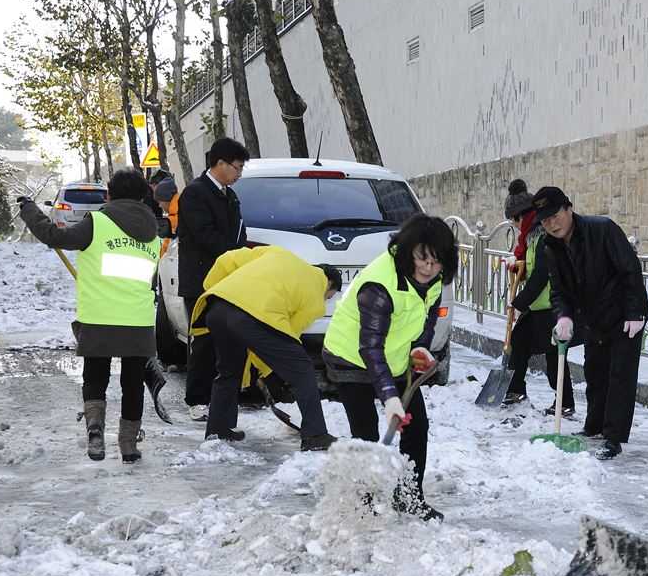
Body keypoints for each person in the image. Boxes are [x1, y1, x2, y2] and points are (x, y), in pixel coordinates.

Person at [17, 167, 160, 464]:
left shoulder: (97, 222)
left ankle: (95, 427)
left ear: (109, 195)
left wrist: (30, 210)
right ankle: (129, 446)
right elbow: (146, 279)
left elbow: (54, 235)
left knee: (96, 377)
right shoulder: (153, 234)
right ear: (143, 197)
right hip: (139, 319)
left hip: (100, 316)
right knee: (133, 384)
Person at [322, 214, 457, 520]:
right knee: (366, 433)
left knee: (417, 426)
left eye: (436, 261)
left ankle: (409, 496)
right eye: (422, 258)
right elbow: (370, 348)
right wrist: (389, 396)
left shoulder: (435, 280)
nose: (428, 268)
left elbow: (428, 317)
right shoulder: (380, 285)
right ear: (408, 250)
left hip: (393, 357)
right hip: (350, 357)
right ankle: (364, 503)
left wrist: (420, 347)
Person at [189, 245, 342, 449]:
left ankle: (218, 428)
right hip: (253, 317)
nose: (325, 300)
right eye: (328, 296)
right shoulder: (315, 298)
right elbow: (287, 335)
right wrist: (261, 368)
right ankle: (315, 435)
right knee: (302, 368)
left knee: (228, 370)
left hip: (217, 307)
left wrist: (215, 289)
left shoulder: (277, 253)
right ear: (329, 284)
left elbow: (226, 259)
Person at [539, 186, 648, 460]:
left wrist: (635, 311)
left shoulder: (602, 230)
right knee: (595, 373)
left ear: (569, 209)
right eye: (545, 220)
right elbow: (558, 290)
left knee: (620, 377)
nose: (552, 224)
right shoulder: (551, 247)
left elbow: (630, 270)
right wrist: (563, 316)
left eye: (555, 215)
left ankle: (613, 437)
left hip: (624, 316)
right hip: (593, 318)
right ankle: (594, 426)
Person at [177, 137, 250, 422]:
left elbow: (239, 231)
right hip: (201, 279)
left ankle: (220, 398)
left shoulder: (229, 195)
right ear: (220, 164)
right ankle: (197, 400)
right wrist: (235, 254)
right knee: (204, 340)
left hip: (227, 278)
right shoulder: (195, 193)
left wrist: (240, 254)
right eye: (237, 167)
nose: (239, 173)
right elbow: (203, 234)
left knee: (226, 340)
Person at [502, 181, 577, 416]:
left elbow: (541, 276)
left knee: (554, 356)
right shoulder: (532, 238)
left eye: (514, 221)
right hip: (537, 306)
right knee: (519, 342)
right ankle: (515, 389)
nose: (515, 226)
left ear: (521, 216)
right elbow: (531, 268)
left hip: (550, 306)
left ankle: (565, 402)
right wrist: (518, 267)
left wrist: (518, 302)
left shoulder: (544, 237)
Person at [153, 176, 179, 257]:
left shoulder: (174, 219)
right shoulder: (180, 210)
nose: (160, 206)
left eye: (160, 202)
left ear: (166, 199)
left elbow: (167, 247)